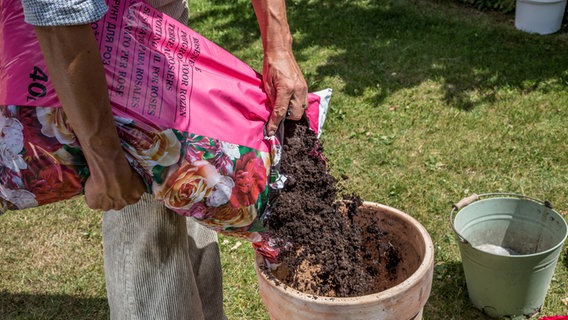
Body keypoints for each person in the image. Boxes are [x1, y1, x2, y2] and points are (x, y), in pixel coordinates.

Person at [19, 0, 308, 319]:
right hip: (89, 44)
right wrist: (106, 160)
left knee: (197, 192)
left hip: (160, 25)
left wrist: (279, 43)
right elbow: (59, 11)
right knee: (146, 226)